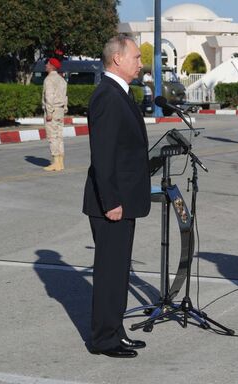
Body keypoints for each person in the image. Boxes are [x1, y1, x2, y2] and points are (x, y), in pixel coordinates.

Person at [82, 35, 151, 358]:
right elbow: (103, 155)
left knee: (119, 269)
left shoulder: (120, 93)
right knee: (110, 272)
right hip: (111, 203)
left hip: (123, 200)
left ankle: (115, 330)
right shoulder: (107, 97)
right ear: (117, 60)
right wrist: (110, 201)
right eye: (136, 57)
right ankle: (103, 339)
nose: (140, 63)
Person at [42, 57, 68, 171]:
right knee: (59, 136)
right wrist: (65, 107)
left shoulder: (49, 80)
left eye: (47, 64)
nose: (46, 65)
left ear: (52, 66)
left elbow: (49, 96)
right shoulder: (62, 79)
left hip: (52, 111)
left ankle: (56, 162)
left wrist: (49, 112)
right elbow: (65, 96)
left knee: (52, 136)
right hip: (60, 110)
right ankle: (61, 162)